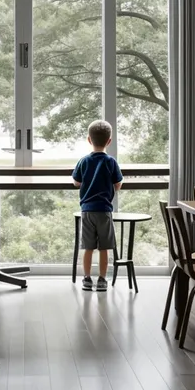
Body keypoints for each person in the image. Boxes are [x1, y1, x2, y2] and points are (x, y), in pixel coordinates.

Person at [72, 120, 123, 291]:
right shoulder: (111, 162)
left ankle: (86, 278)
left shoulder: (84, 161)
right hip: (104, 211)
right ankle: (102, 279)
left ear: (89, 140)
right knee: (104, 248)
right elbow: (118, 184)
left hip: (87, 210)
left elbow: (76, 182)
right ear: (109, 141)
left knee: (88, 247)